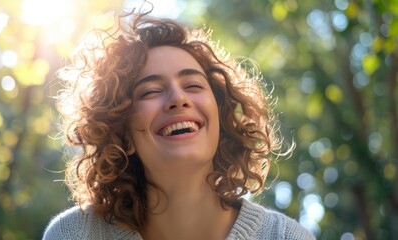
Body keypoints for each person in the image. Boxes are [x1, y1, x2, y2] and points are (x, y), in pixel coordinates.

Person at [43, 9, 315, 240]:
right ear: (122, 136)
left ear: (221, 117)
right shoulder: (75, 233)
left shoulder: (285, 236)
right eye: (150, 91)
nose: (178, 99)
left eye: (193, 85)